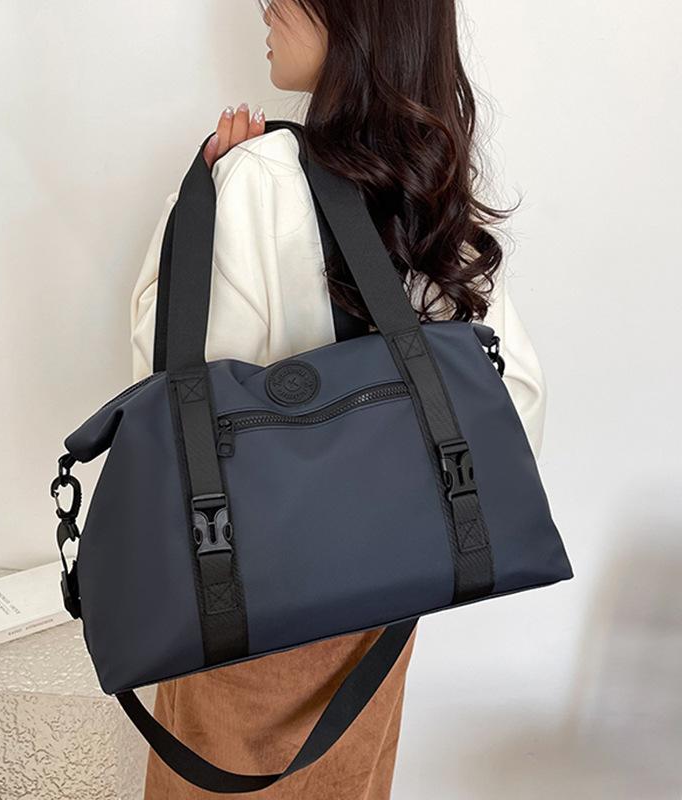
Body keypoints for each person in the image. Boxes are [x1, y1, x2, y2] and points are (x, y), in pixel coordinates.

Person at [130, 1, 547, 797]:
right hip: (385, 613)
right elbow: (518, 404)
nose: (264, 4)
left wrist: (207, 204)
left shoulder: (256, 181)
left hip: (252, 614)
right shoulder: (429, 185)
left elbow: (170, 397)